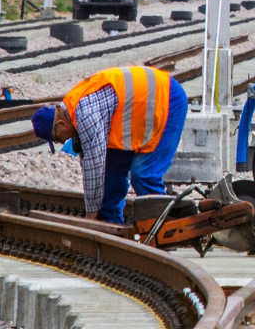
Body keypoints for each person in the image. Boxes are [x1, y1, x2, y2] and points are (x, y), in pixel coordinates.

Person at [30, 66, 188, 225]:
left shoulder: (86, 116)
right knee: (110, 171)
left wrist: (91, 215)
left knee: (143, 174)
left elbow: (94, 167)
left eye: (57, 138)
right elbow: (99, 169)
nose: (62, 142)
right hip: (140, 111)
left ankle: (160, 229)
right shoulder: (73, 108)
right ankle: (112, 224)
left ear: (61, 124)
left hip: (168, 100)